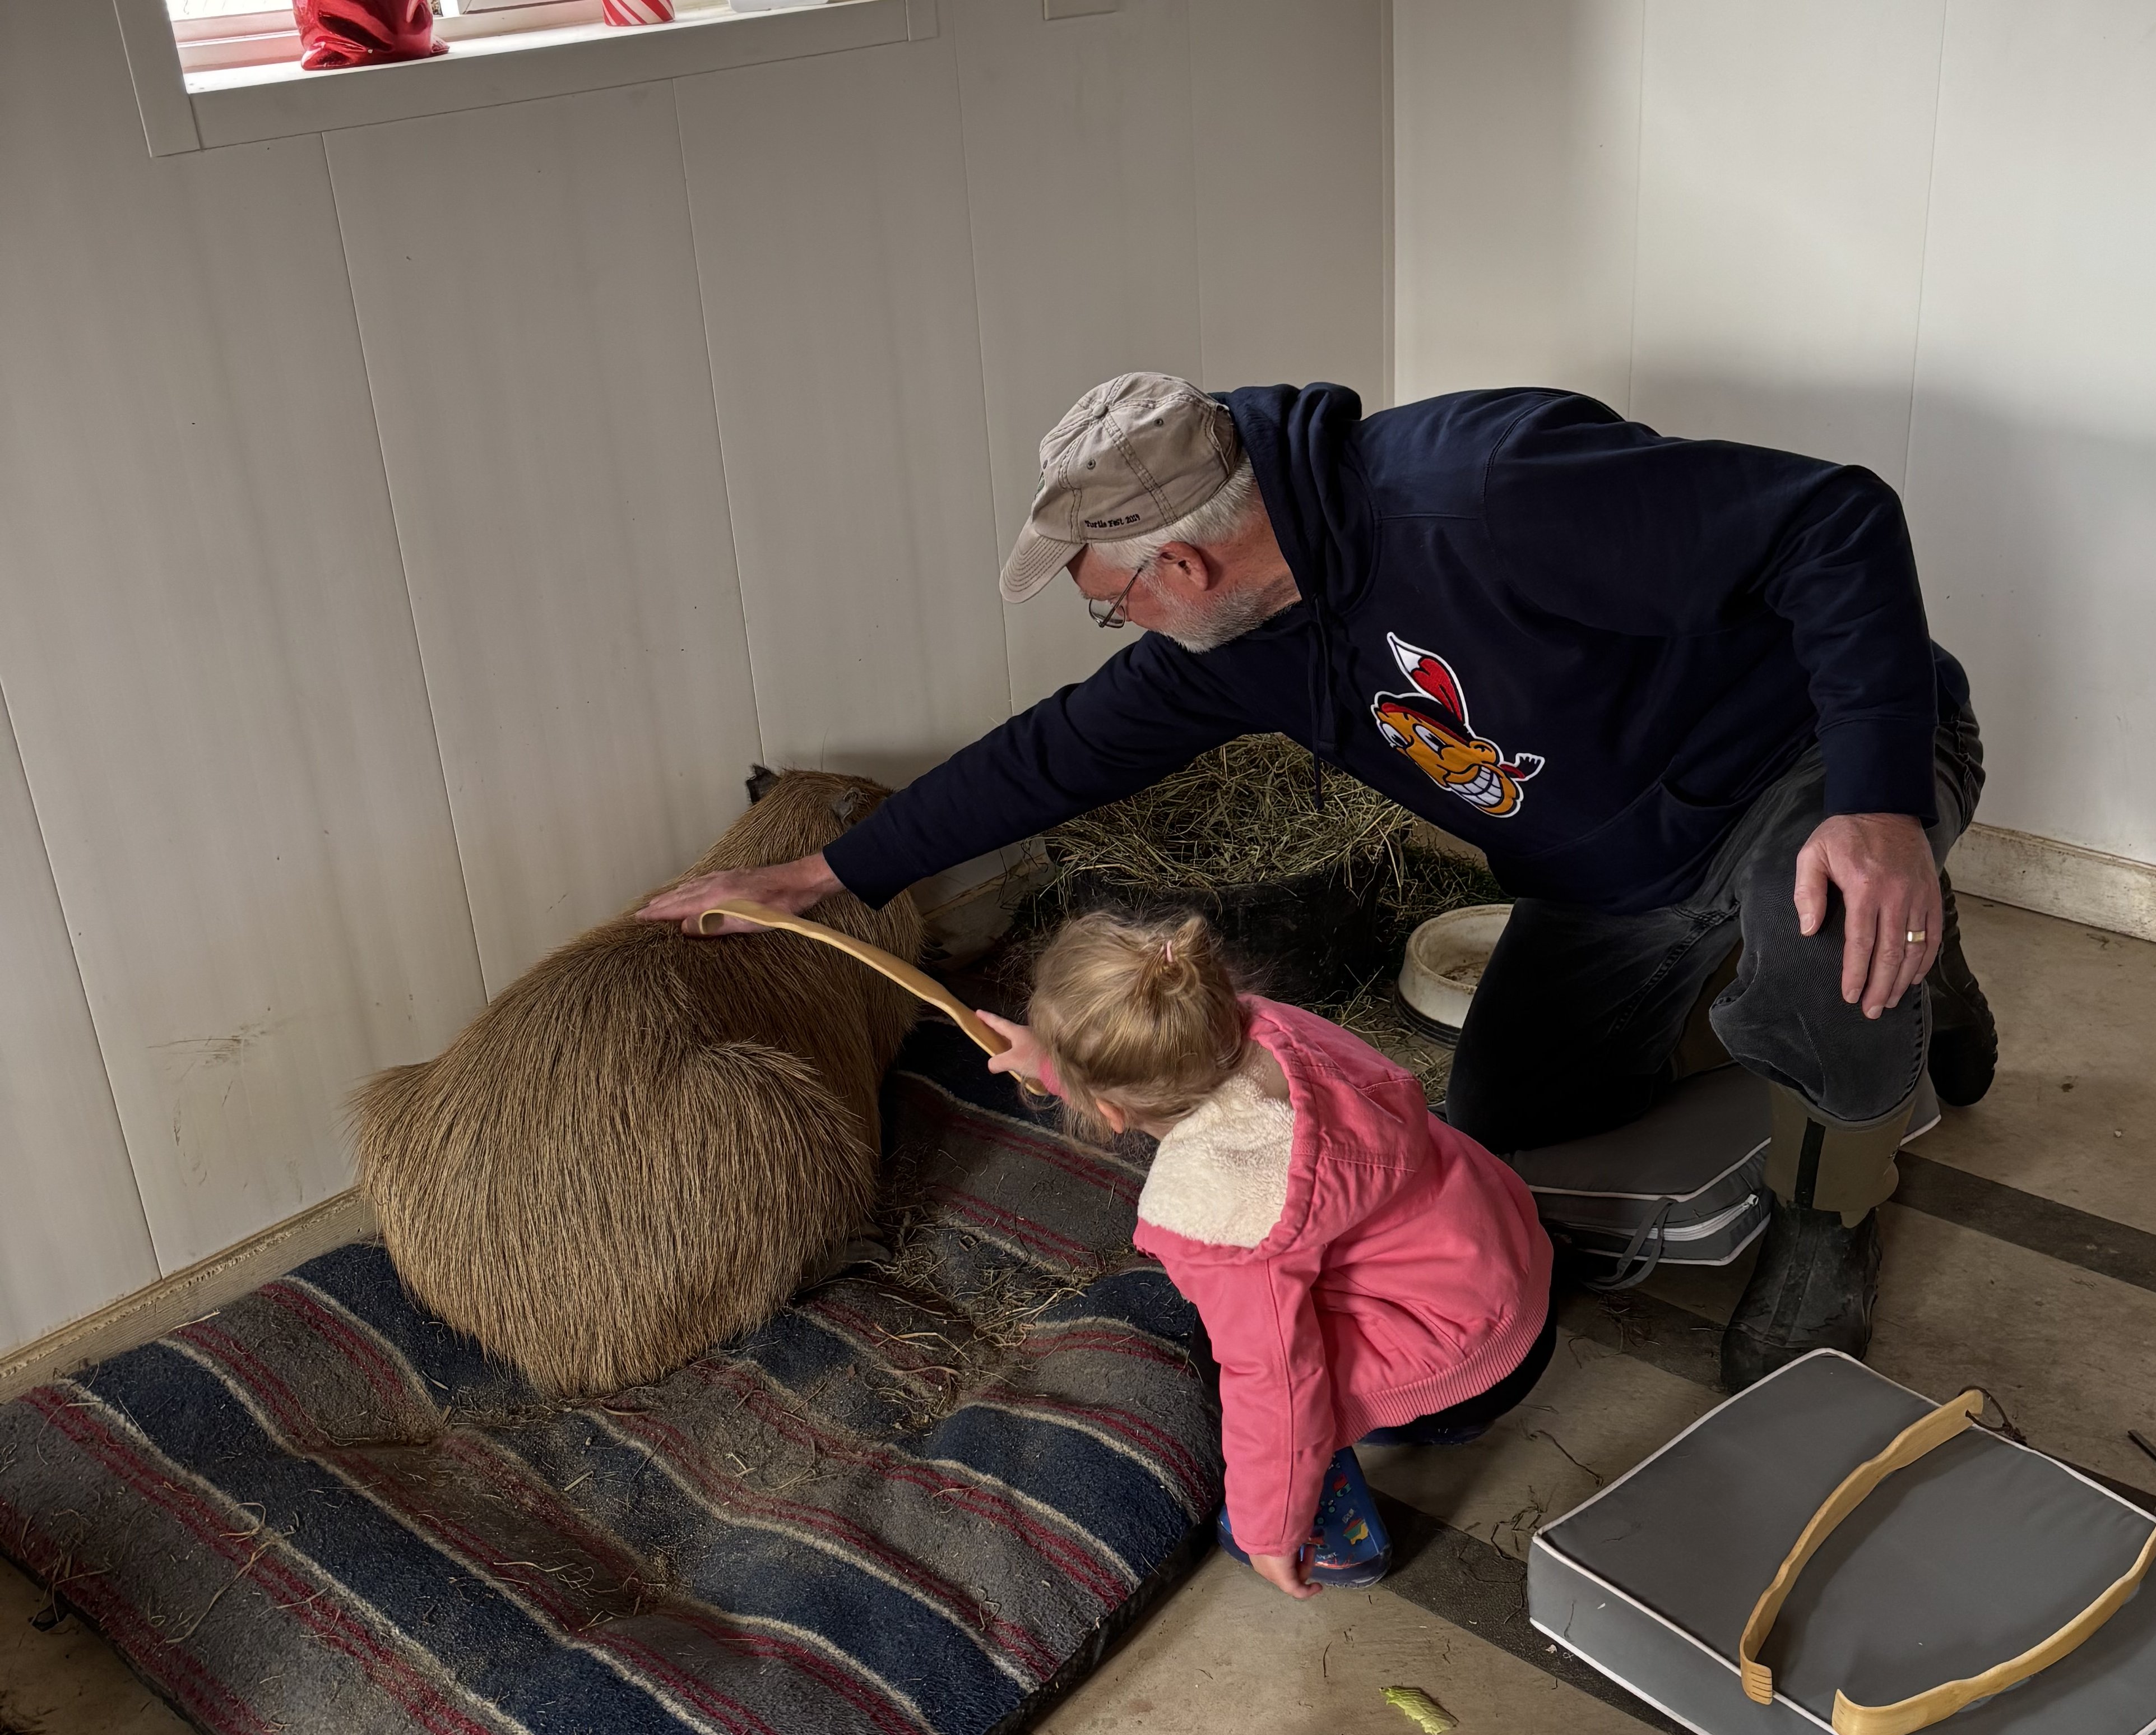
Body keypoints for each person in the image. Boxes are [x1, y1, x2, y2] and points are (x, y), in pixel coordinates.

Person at [641, 372, 1996, 1389]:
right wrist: (824, 870)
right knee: (1515, 1116)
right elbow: (1056, 753)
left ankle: (1836, 1202)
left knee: (1818, 929)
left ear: (1181, 561)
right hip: (1620, 873)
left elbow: (1838, 521)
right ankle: (1881, 969)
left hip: (1808, 772)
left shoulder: (1487, 488)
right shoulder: (1233, 641)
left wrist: (1878, 800)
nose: (1123, 628)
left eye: (1115, 602)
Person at [977, 909, 1555, 1599]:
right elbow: (1158, 1056)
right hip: (1513, 1271)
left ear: (1109, 1114)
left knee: (1224, 1346)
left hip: (1461, 1364)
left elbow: (1276, 1381)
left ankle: (1339, 1515)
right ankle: (1446, 1415)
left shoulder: (1223, 1207)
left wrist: (1270, 1529)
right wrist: (1050, 1057)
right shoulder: (1268, 1028)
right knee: (1276, 1307)